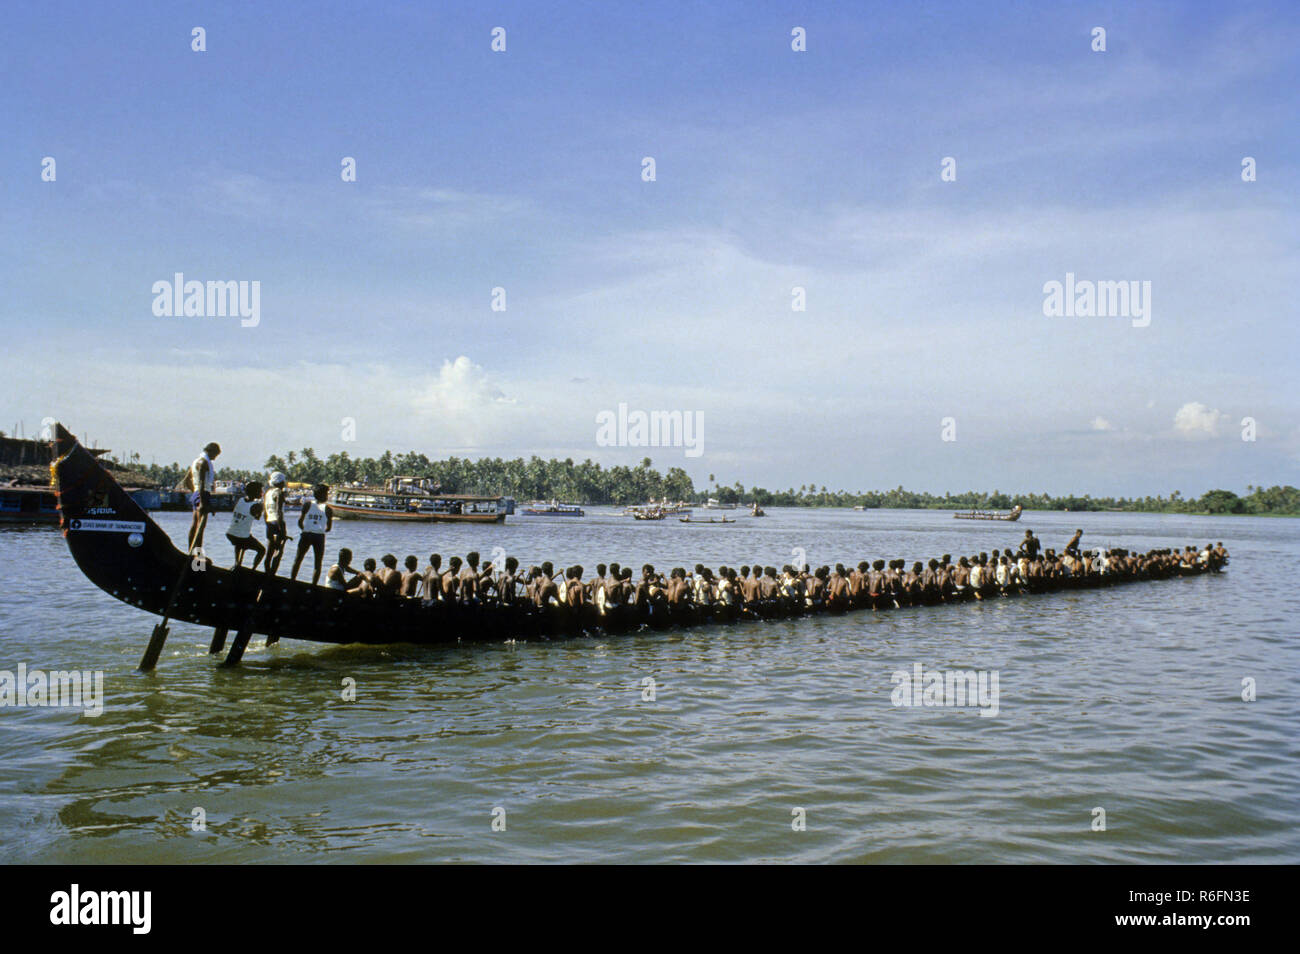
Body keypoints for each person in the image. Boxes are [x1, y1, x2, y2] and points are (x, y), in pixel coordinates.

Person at [290, 484, 332, 585]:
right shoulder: (328, 509)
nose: (327, 496)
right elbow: (329, 528)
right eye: (326, 494)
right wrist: (320, 530)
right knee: (318, 563)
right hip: (319, 536)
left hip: (306, 534)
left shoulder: (307, 505)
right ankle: (314, 585)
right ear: (323, 495)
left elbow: (300, 522)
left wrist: (305, 529)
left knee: (298, 559)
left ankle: (292, 580)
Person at [187, 441, 221, 551]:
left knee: (195, 524)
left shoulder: (196, 461)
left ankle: (191, 552)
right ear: (210, 451)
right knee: (200, 527)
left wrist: (195, 492)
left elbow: (187, 480)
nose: (215, 457)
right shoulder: (203, 462)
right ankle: (198, 557)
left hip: (198, 493)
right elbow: (202, 482)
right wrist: (202, 501)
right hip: (202, 494)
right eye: (215, 454)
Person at [226, 480, 265, 569]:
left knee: (240, 543)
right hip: (242, 536)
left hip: (230, 533)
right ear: (255, 492)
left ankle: (237, 563)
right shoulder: (256, 505)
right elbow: (257, 517)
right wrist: (261, 508)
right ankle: (253, 569)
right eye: (260, 491)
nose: (261, 493)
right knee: (262, 550)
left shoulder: (240, 500)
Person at [262, 472, 290, 575]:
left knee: (269, 551)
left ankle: (267, 572)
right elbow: (279, 512)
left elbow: (264, 512)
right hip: (277, 522)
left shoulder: (267, 493)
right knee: (279, 551)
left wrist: (267, 524)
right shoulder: (279, 493)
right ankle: (272, 574)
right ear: (281, 482)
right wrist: (282, 529)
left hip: (269, 522)